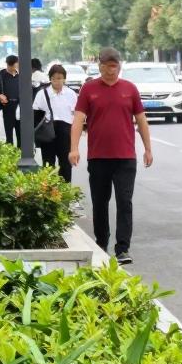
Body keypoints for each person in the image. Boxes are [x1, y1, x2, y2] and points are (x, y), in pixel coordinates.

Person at [68, 46, 153, 265]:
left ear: (120, 66)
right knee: (100, 202)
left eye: (114, 67)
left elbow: (141, 119)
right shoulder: (89, 89)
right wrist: (74, 148)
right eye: (107, 66)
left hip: (125, 157)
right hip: (98, 157)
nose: (111, 71)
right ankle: (101, 243)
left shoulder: (130, 89)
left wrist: (148, 148)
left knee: (125, 202)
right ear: (100, 66)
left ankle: (123, 248)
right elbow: (78, 119)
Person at [33, 63, 77, 183]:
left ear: (64, 79)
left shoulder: (71, 94)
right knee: (48, 163)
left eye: (59, 78)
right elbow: (36, 114)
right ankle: (48, 191)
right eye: (54, 78)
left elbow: (76, 115)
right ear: (50, 79)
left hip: (65, 131)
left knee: (65, 163)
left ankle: (65, 191)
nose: (57, 81)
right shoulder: (42, 93)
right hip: (48, 131)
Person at [0, 55, 21, 145]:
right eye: (12, 65)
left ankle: (21, 150)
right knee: (9, 131)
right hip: (7, 106)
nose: (15, 67)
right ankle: (10, 148)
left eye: (16, 65)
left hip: (19, 106)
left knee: (20, 131)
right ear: (8, 65)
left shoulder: (21, 75)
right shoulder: (1, 75)